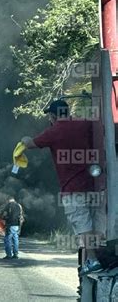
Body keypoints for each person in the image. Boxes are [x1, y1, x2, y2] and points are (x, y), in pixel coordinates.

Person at [20, 99, 106, 275]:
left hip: (73, 189)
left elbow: (31, 144)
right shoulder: (85, 124)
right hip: (95, 185)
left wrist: (24, 140)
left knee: (83, 225)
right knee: (97, 223)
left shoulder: (54, 131)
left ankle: (93, 260)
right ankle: (101, 255)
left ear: (52, 116)